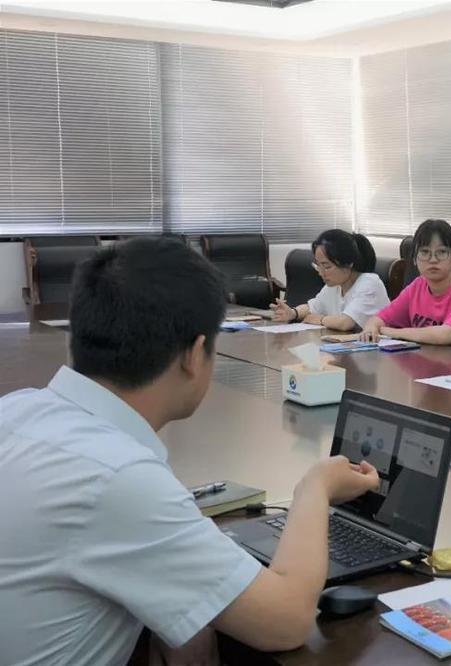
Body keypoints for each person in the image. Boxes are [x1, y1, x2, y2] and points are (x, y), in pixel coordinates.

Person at [0, 236, 380, 666]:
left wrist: (182, 611)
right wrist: (315, 488)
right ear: (195, 355)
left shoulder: (16, 410)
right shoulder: (117, 478)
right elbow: (286, 620)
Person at [360, 219, 451, 349]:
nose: (433, 260)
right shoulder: (417, 286)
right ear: (415, 259)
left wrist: (392, 332)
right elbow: (379, 318)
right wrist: (371, 327)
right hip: (425, 360)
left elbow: (446, 335)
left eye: (441, 252)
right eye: (425, 252)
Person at [270, 230, 388, 332]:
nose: (321, 273)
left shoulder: (370, 283)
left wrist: (321, 319)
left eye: (327, 267)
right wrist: (293, 313)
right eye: (318, 265)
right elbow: (312, 307)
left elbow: (345, 323)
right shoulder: (334, 285)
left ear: (349, 263)